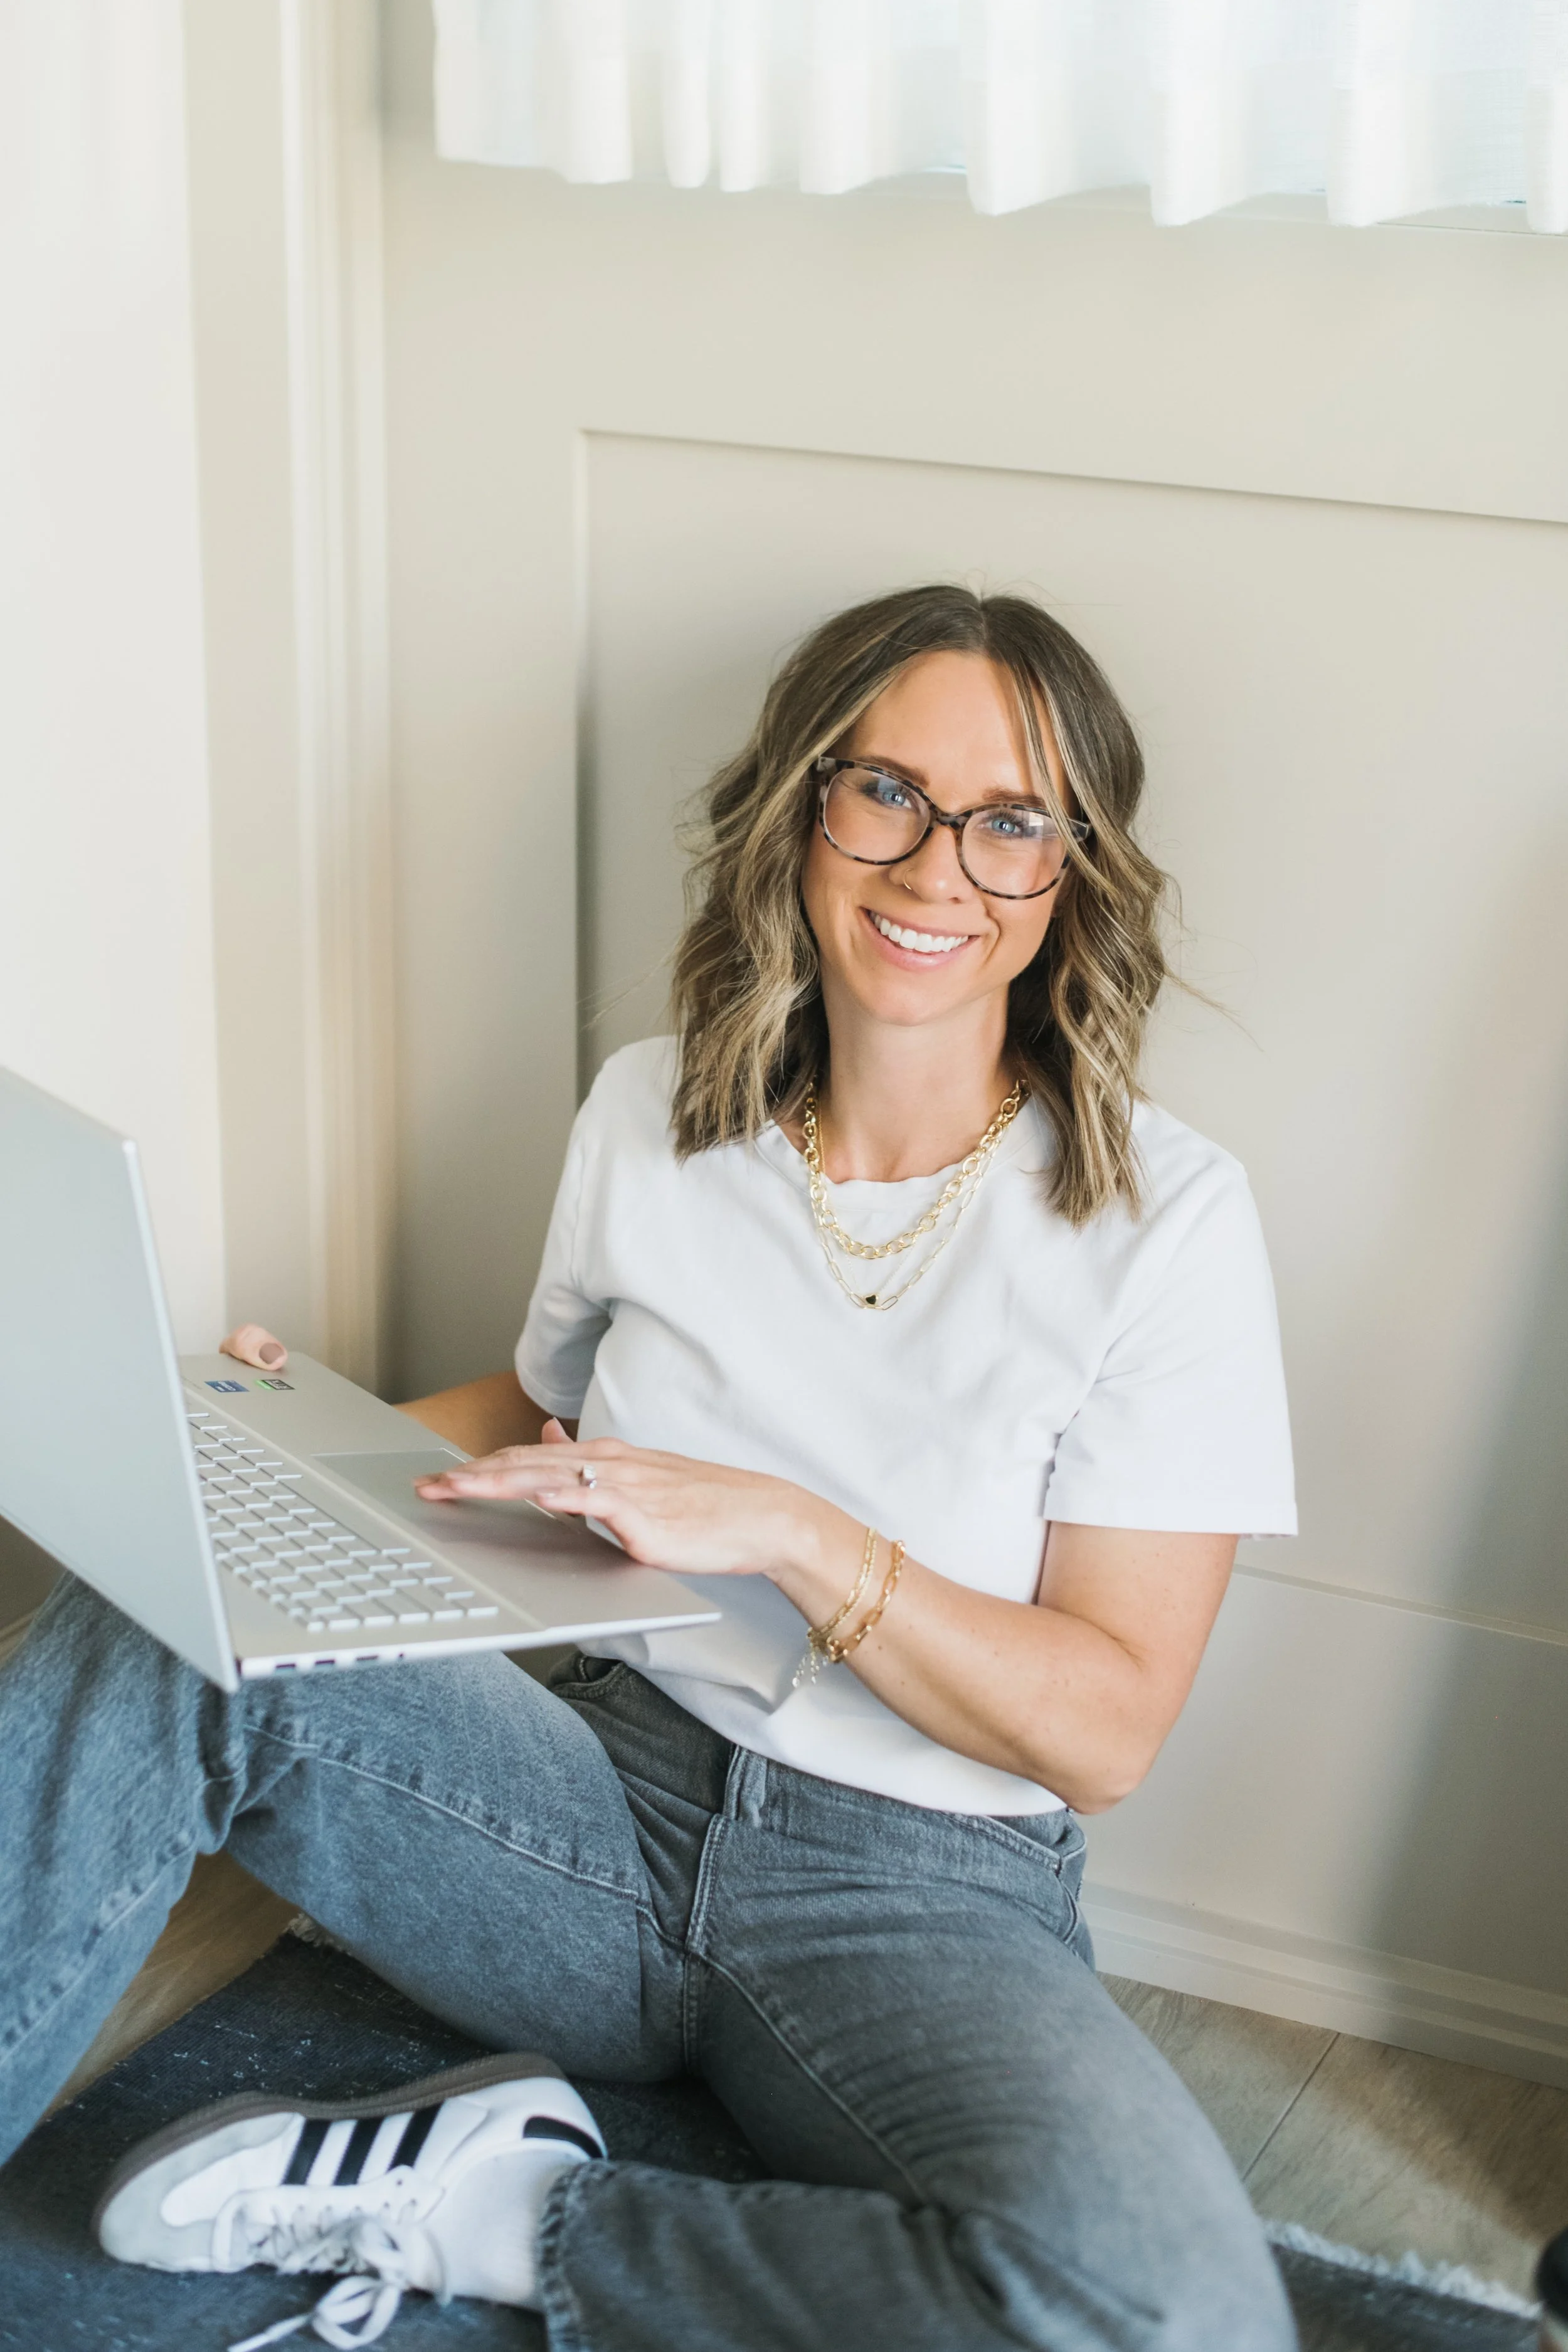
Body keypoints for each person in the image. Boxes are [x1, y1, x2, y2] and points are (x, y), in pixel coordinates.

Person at [0, 586, 1299, 2351]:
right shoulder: (650, 1111)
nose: (937, 868)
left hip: (914, 1897)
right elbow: (545, 1431)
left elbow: (1105, 1724)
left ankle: (513, 2207)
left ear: (1068, 871)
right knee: (165, 1614)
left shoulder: (1163, 1220)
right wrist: (270, 1433)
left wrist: (793, 1531)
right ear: (801, 805)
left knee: (1171, 2314)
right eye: (886, 794)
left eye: (1010, 821)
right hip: (586, 1810)